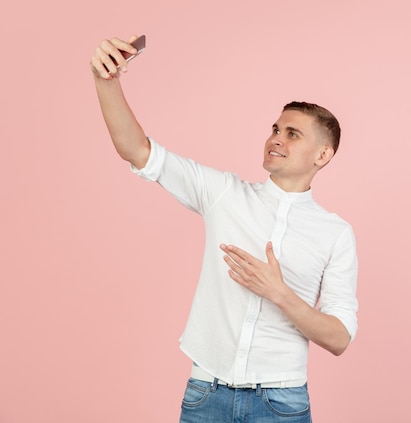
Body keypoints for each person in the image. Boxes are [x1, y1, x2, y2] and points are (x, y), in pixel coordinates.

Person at [90, 35, 358, 423]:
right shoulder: (225, 194)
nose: (275, 139)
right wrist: (106, 81)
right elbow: (137, 150)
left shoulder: (335, 234)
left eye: (292, 134)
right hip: (206, 396)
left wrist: (279, 294)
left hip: (282, 405)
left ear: (323, 155)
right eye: (276, 129)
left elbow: (340, 338)